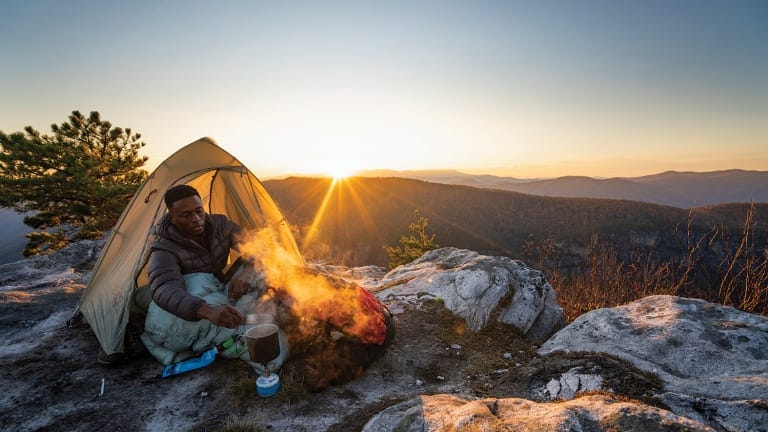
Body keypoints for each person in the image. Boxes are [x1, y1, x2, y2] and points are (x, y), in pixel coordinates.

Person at [139, 185, 284, 366]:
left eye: (199, 211)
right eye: (186, 215)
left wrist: (249, 270)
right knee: (198, 280)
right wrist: (207, 311)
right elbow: (164, 287)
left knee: (264, 270)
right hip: (194, 297)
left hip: (219, 285)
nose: (196, 219)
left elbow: (257, 244)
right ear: (172, 217)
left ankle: (277, 314)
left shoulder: (220, 225)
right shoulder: (165, 246)